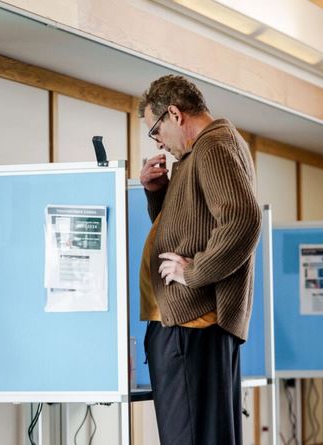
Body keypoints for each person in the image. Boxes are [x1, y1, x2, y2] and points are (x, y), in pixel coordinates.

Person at [138, 74, 261, 445]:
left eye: (155, 130)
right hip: (189, 324)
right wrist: (156, 194)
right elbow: (189, 224)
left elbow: (243, 218)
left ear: (174, 114)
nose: (158, 141)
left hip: (193, 323)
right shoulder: (203, 153)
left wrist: (196, 273)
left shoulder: (213, 147)